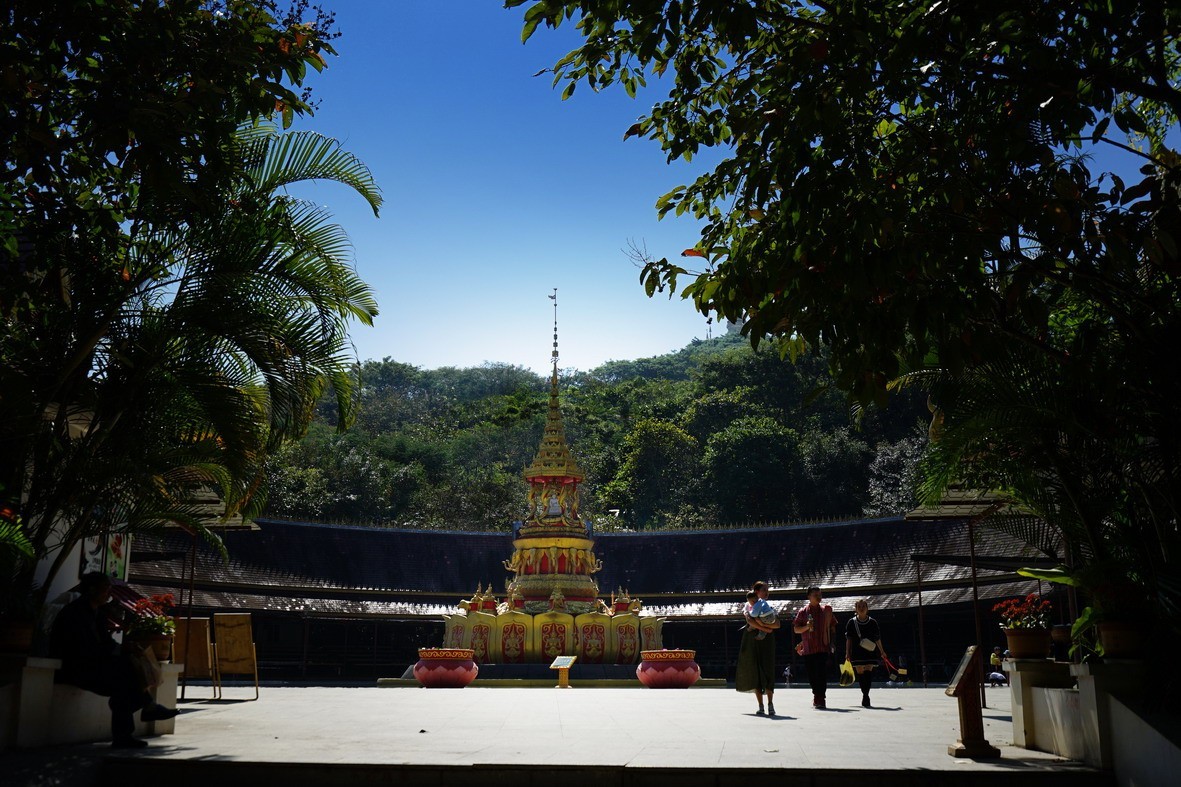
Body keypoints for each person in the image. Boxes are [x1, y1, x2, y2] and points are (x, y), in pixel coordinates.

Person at [49, 573, 178, 748]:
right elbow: (84, 647)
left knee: (124, 681)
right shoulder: (75, 613)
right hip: (76, 667)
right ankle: (146, 708)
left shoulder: (98, 613)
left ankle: (135, 722)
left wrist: (124, 649)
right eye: (105, 589)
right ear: (92, 590)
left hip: (93, 664)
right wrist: (118, 651)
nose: (108, 593)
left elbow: (105, 643)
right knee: (125, 676)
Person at [736, 580, 779, 716]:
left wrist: (763, 626)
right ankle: (760, 705)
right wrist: (766, 629)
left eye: (767, 590)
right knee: (755, 671)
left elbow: (777, 624)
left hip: (767, 641)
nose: (767, 592)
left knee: (768, 669)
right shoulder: (748, 606)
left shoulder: (769, 606)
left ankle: (770, 703)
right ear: (756, 592)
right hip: (752, 640)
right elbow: (749, 620)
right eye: (764, 590)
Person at [793, 585, 838, 709]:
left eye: (820, 594)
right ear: (809, 596)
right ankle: (816, 694)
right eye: (815, 595)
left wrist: (832, 642)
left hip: (823, 647)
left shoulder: (826, 611)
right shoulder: (803, 612)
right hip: (809, 648)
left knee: (821, 673)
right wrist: (807, 627)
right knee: (812, 674)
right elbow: (796, 629)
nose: (818, 597)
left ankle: (821, 698)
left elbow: (833, 627)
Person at [844, 599, 888, 708]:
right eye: (859, 606)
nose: (861, 608)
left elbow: (877, 638)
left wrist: (882, 651)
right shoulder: (851, 622)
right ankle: (865, 694)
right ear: (856, 609)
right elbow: (849, 639)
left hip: (870, 651)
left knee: (868, 672)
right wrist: (847, 652)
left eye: (863, 606)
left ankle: (866, 695)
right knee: (860, 673)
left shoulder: (873, 622)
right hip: (857, 651)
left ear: (867, 608)